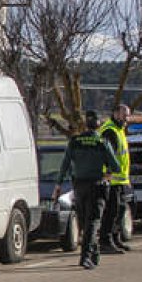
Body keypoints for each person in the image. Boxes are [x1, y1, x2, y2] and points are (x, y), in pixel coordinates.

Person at [54, 111, 120, 269]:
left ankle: (94, 252)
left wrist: (58, 184)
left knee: (84, 222)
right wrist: (107, 173)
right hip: (96, 186)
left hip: (78, 187)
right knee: (93, 222)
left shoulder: (75, 141)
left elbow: (65, 164)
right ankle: (86, 257)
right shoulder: (102, 141)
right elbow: (116, 166)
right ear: (98, 125)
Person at [97, 103, 132, 253]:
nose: (127, 118)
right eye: (124, 115)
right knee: (111, 212)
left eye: (128, 115)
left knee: (120, 210)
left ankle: (115, 237)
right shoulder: (110, 130)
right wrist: (109, 173)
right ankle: (105, 241)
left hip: (121, 180)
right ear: (116, 113)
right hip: (112, 180)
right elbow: (107, 155)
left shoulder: (119, 130)